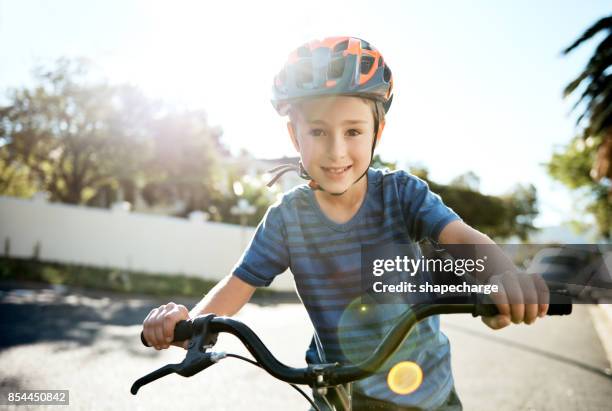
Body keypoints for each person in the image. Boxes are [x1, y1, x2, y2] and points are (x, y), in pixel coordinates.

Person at [141, 36, 549, 411]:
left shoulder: (402, 194)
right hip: (337, 395)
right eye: (317, 131)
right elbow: (236, 285)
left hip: (425, 395)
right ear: (293, 135)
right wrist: (187, 324)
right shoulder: (287, 219)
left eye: (353, 130)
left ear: (378, 131)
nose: (336, 152)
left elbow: (463, 239)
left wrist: (503, 274)